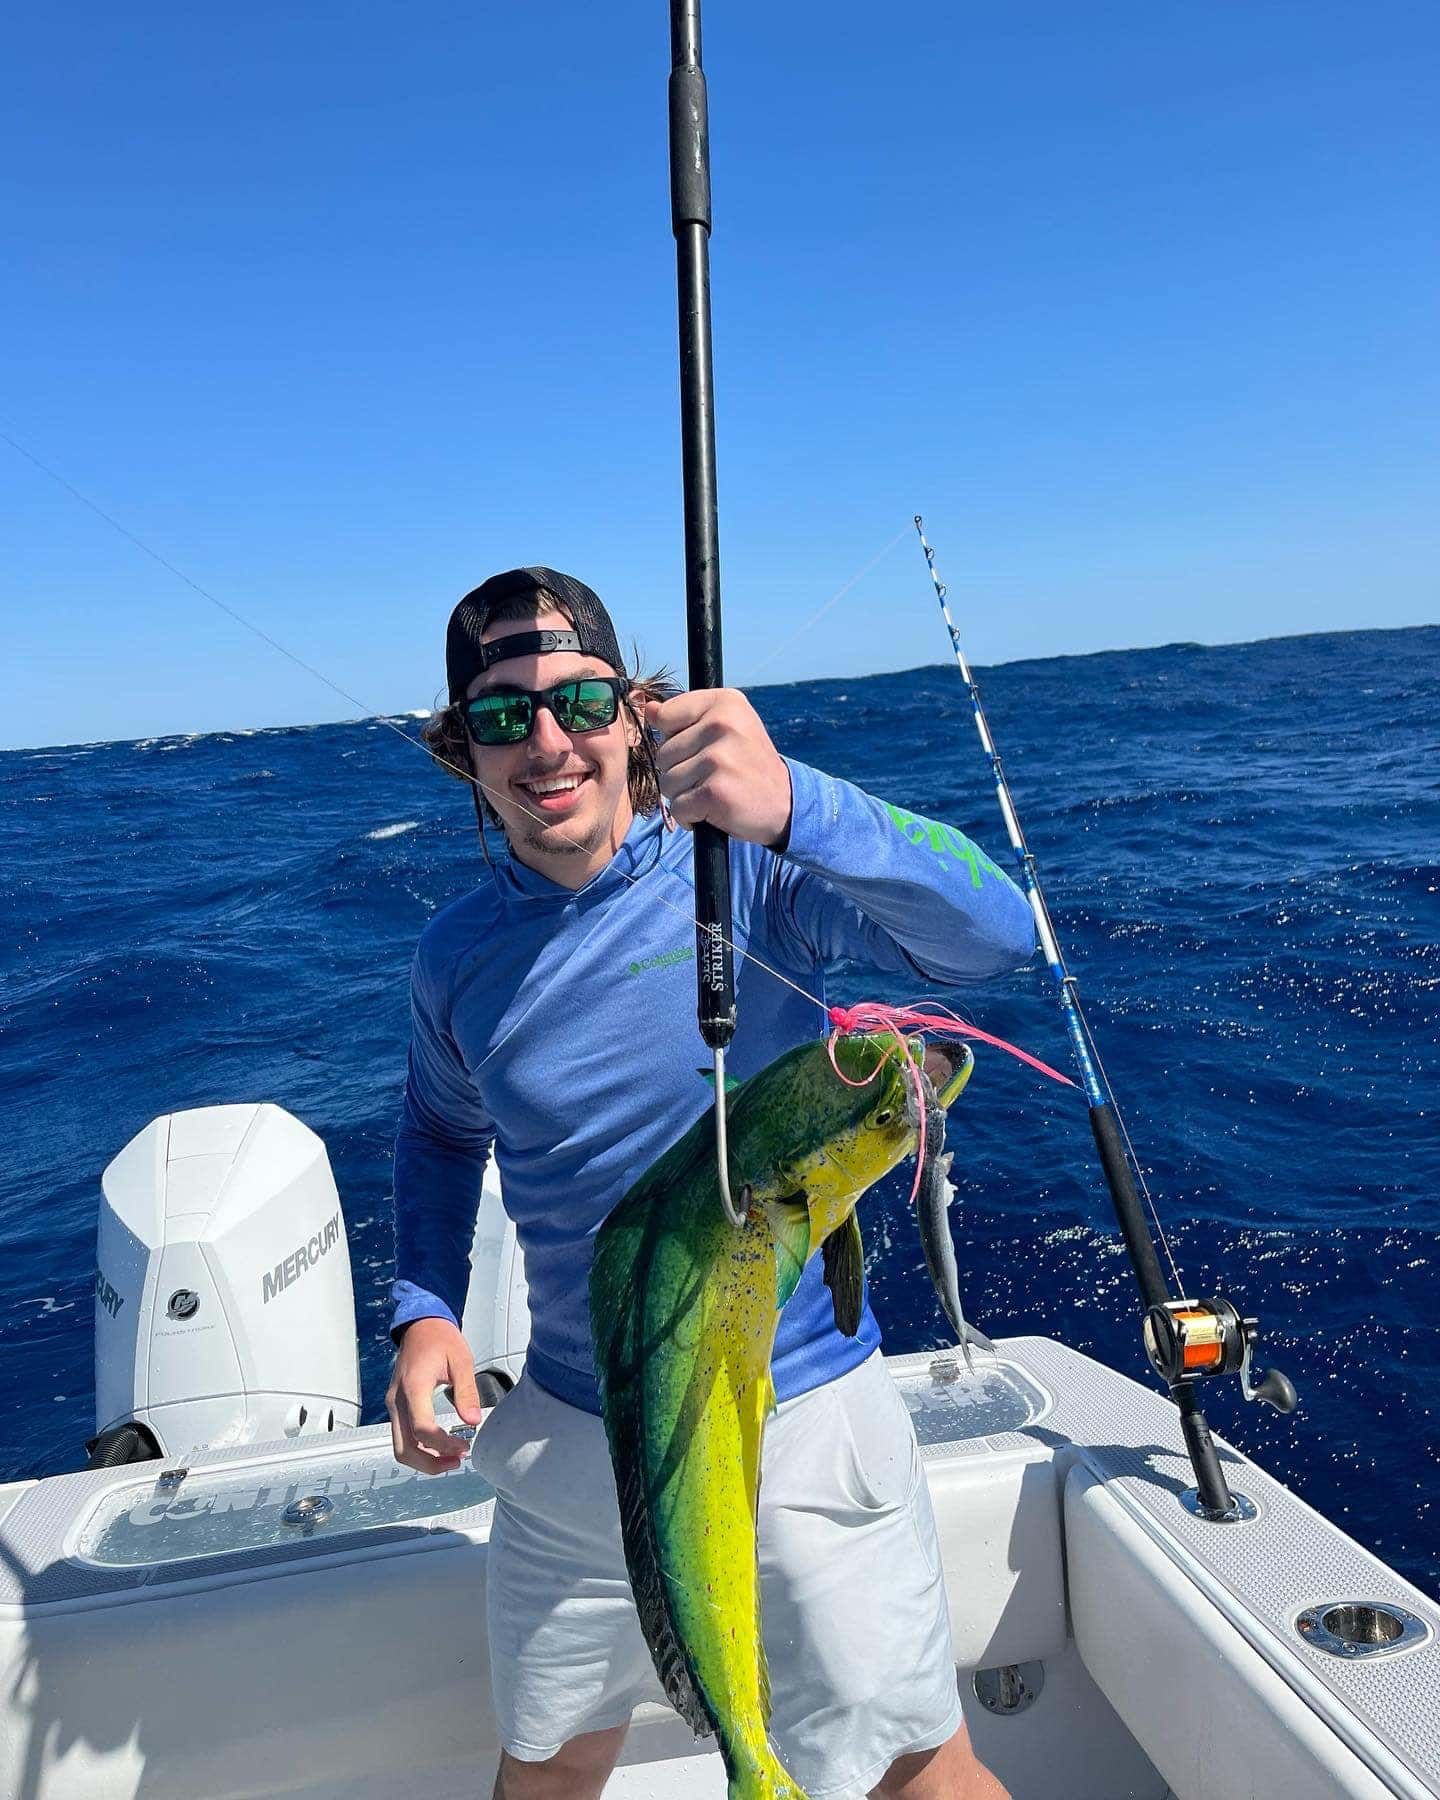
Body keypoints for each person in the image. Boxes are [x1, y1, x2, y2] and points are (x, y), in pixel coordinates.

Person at [387, 566, 1032, 1800]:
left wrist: (796, 803)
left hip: (797, 1421)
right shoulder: (455, 956)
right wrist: (425, 1307)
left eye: (576, 699)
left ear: (637, 713)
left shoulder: (753, 874)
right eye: (501, 716)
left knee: (919, 1773)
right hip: (573, 1432)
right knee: (548, 1769)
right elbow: (436, 1130)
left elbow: (1000, 939)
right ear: (462, 751)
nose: (547, 743)